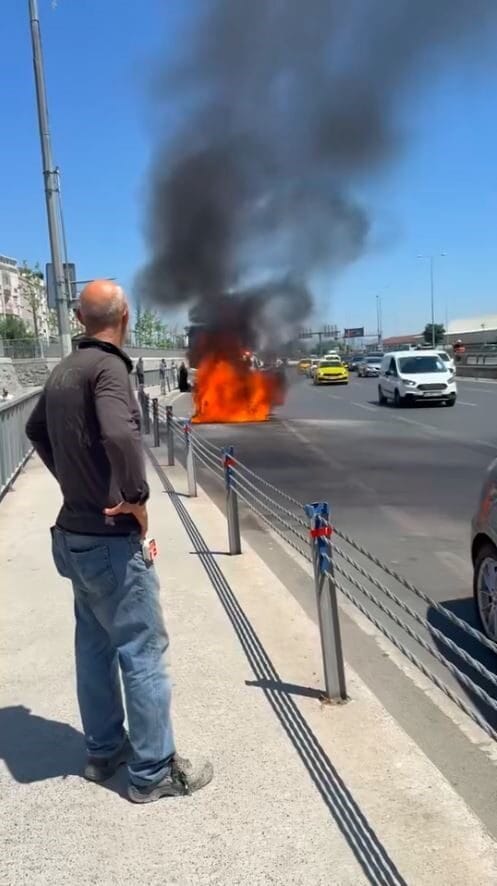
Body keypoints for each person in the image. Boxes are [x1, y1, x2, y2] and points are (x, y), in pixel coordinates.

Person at [25, 279, 213, 803]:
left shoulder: (63, 369)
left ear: (81, 319)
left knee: (94, 643)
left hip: (72, 535)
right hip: (109, 538)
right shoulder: (108, 367)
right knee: (142, 650)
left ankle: (103, 750)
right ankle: (153, 772)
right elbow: (120, 433)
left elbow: (35, 430)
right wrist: (135, 495)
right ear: (125, 316)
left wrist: (70, 479)